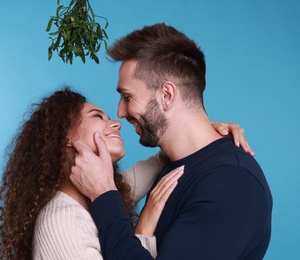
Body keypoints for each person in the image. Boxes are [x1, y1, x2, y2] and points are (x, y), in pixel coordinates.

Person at [70, 23, 272, 260]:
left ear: (166, 95)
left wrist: (104, 195)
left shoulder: (232, 184)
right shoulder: (176, 164)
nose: (120, 112)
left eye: (127, 97)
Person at [0, 87, 249, 259]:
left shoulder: (97, 193)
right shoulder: (61, 222)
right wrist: (144, 230)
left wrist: (209, 131)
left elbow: (164, 156)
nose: (116, 122)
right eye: (98, 117)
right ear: (66, 137)